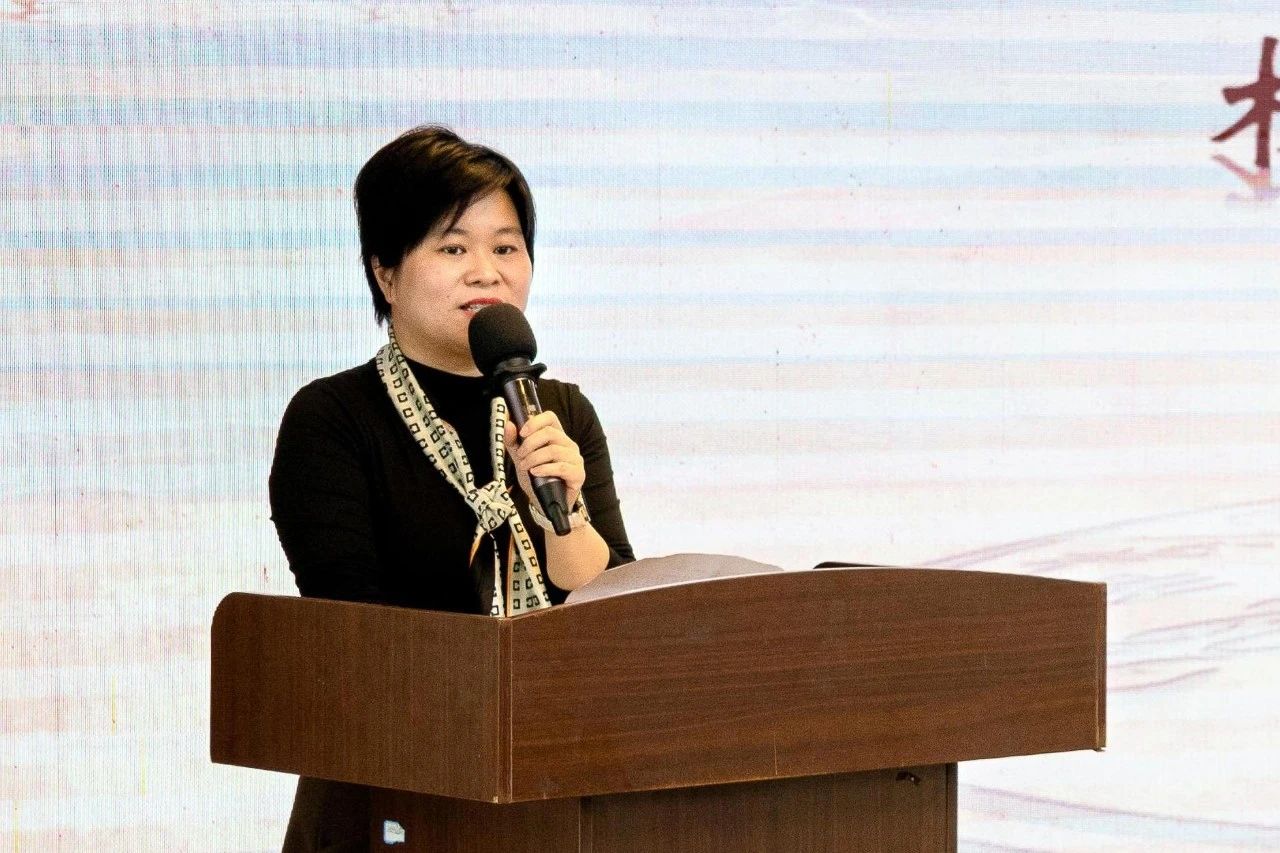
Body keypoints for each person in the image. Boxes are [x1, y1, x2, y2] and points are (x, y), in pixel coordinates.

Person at [269, 125, 634, 852]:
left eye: (507, 248)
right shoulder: (334, 418)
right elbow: (355, 632)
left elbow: (615, 616)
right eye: (453, 248)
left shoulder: (560, 412)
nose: (486, 273)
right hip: (392, 793)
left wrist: (562, 518)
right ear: (385, 273)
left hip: (549, 789)